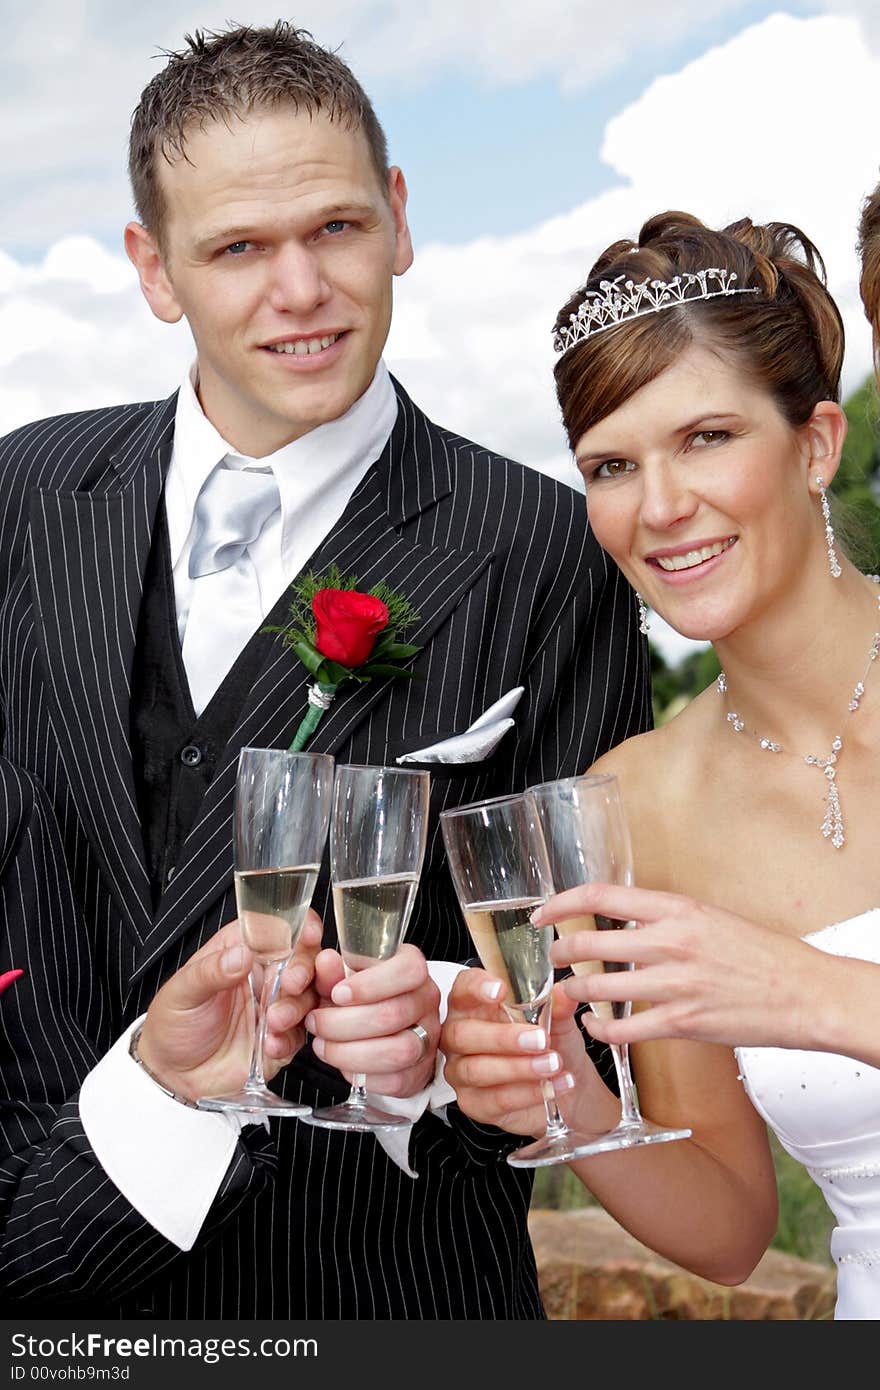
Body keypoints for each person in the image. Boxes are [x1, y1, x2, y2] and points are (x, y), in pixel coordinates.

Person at [0, 23, 649, 1318]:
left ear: (400, 216)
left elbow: (574, 1015)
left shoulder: (546, 547)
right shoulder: (22, 495)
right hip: (46, 1270)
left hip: (381, 1292)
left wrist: (437, 1068)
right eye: (238, 246)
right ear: (153, 268)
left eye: (338, 228)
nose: (300, 289)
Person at [441, 210, 880, 1319]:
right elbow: (730, 1228)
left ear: (817, 443)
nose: (660, 506)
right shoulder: (637, 799)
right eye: (611, 466)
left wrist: (811, 994)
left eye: (707, 437)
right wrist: (567, 1099)